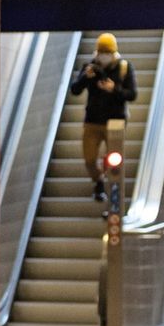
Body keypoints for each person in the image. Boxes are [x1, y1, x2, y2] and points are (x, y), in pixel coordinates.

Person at [69, 32, 137, 202]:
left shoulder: (124, 68)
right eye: (101, 53)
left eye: (107, 53)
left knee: (114, 161)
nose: (104, 57)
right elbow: (75, 90)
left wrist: (114, 89)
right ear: (96, 53)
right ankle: (98, 181)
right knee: (89, 159)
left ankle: (113, 198)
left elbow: (132, 94)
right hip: (92, 121)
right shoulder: (90, 67)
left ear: (114, 53)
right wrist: (86, 77)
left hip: (115, 122)